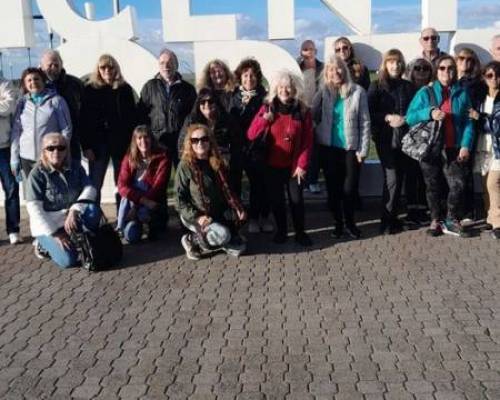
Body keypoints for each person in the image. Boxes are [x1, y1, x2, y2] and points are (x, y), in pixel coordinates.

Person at [406, 55, 474, 237]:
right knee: (432, 185)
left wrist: (466, 145)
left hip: (454, 147)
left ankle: (451, 218)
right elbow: (409, 117)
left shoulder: (462, 92)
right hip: (431, 148)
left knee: (458, 184)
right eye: (442, 68)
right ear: (437, 71)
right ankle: (436, 219)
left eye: (450, 68)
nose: (446, 71)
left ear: (455, 70)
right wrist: (429, 112)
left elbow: (469, 122)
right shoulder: (425, 92)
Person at [248, 69, 313, 246]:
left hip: (294, 167)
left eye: (289, 87)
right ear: (276, 89)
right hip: (271, 164)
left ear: (294, 89)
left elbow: (307, 141)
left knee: (297, 200)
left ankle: (300, 232)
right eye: (281, 87)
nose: (285, 91)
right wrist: (264, 120)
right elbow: (251, 134)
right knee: (277, 201)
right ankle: (282, 231)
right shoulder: (267, 107)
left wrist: (302, 165)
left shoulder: (302, 109)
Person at [312, 55, 371, 239]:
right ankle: (338, 224)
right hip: (328, 148)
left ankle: (350, 223)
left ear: (344, 70)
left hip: (350, 149)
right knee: (333, 190)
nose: (335, 72)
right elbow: (312, 116)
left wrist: (363, 149)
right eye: (330, 69)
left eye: (338, 68)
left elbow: (365, 121)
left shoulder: (357, 92)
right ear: (326, 73)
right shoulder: (323, 92)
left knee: (349, 189)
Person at [25, 133, 101, 268]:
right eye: (51, 148)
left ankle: (77, 239)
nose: (56, 152)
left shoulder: (76, 166)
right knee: (69, 261)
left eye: (61, 148)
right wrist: (55, 234)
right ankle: (42, 244)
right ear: (44, 151)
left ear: (67, 150)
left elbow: (91, 189)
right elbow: (35, 211)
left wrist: (75, 209)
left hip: (69, 219)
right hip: (49, 224)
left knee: (93, 211)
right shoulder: (36, 175)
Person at [175, 123, 247, 260]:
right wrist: (198, 217)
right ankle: (192, 240)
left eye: (204, 139)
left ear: (210, 141)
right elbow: (179, 201)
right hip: (196, 214)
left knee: (240, 215)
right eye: (195, 140)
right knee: (223, 235)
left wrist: (238, 207)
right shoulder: (185, 166)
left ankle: (222, 238)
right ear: (190, 143)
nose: (200, 143)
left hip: (215, 211)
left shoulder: (217, 162)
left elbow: (228, 190)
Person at [368, 49, 417, 234]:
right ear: (385, 64)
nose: (394, 65)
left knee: (400, 177)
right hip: (385, 139)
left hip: (405, 139)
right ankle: (386, 220)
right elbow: (369, 113)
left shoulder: (408, 86)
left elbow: (414, 110)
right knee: (392, 179)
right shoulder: (376, 85)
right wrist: (388, 117)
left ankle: (394, 217)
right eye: (391, 62)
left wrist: (405, 118)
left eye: (397, 62)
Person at [80, 54, 136, 206]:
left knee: (122, 184)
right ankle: (94, 220)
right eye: (103, 67)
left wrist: (132, 145)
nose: (107, 70)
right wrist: (86, 146)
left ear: (115, 68)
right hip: (98, 145)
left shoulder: (124, 89)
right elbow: (83, 121)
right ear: (98, 70)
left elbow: (132, 119)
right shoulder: (90, 90)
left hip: (121, 144)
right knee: (95, 185)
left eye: (110, 67)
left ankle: (122, 220)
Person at [228, 58, 273, 233]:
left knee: (260, 184)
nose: (249, 79)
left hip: (259, 148)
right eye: (245, 75)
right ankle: (248, 218)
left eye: (253, 75)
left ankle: (262, 216)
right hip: (240, 149)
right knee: (238, 184)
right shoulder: (234, 97)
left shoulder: (265, 97)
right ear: (240, 77)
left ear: (258, 77)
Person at [137, 48, 196, 169]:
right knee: (158, 180)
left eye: (170, 62)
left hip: (181, 142)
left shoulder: (187, 89)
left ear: (176, 65)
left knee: (183, 177)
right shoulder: (150, 87)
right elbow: (141, 114)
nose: (166, 66)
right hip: (158, 142)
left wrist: (187, 137)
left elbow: (193, 115)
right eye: (162, 63)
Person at [10, 68, 72, 182]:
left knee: (51, 193)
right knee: (32, 194)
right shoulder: (22, 103)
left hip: (50, 156)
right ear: (25, 84)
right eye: (29, 80)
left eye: (36, 79)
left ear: (43, 81)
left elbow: (66, 129)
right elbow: (16, 131)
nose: (33, 82)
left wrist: (63, 152)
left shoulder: (56, 101)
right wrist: (14, 157)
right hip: (27, 158)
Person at [179, 88, 241, 191]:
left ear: (216, 103)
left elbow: (237, 144)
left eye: (211, 101)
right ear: (198, 104)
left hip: (224, 164)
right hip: (199, 164)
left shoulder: (227, 120)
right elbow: (182, 144)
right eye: (203, 102)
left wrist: (230, 160)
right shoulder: (191, 120)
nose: (207, 105)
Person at [117, 125, 171, 243]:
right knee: (132, 237)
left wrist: (137, 207)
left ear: (151, 139)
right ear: (135, 141)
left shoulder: (162, 158)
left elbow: (158, 188)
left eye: (146, 137)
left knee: (139, 188)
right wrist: (140, 202)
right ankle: (123, 227)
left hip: (152, 203)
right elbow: (121, 186)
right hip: (134, 203)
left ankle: (139, 223)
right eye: (139, 138)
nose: (143, 141)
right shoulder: (129, 158)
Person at [472, 61, 500, 238]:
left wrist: (480, 117)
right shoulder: (480, 97)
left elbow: (497, 126)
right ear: (484, 78)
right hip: (483, 146)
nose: (494, 79)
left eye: (497, 75)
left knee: (493, 183)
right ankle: (490, 219)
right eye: (489, 75)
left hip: (498, 147)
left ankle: (498, 222)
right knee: (484, 184)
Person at [40, 49, 84, 161]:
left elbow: (86, 112)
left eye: (56, 64)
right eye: (49, 65)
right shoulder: (35, 84)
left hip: (72, 142)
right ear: (42, 66)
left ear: (61, 65)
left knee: (73, 173)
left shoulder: (75, 84)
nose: (53, 68)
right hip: (45, 143)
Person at [456, 48, 484, 222]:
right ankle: (450, 210)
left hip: (469, 133)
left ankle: (467, 212)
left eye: (469, 59)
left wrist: (477, 116)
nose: (465, 61)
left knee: (465, 174)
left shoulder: (479, 85)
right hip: (449, 133)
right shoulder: (448, 81)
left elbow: (485, 109)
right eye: (461, 58)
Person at [405, 58, 433, 224]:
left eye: (425, 68)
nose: (421, 71)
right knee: (411, 174)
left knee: (425, 175)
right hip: (410, 137)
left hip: (429, 138)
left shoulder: (433, 90)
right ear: (412, 71)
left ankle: (423, 209)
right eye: (417, 68)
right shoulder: (407, 88)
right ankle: (411, 210)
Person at [297, 39, 324, 194]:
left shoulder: (323, 68)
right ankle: (303, 180)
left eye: (311, 49)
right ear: (301, 52)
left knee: (316, 150)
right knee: (303, 147)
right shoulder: (296, 68)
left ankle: (312, 180)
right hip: (301, 113)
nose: (308, 52)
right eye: (305, 49)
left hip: (319, 113)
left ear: (315, 51)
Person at [0, 78, 22, 244]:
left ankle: (13, 229)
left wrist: (4, 104)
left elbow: (10, 105)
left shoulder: (5, 84)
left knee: (11, 188)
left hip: (5, 147)